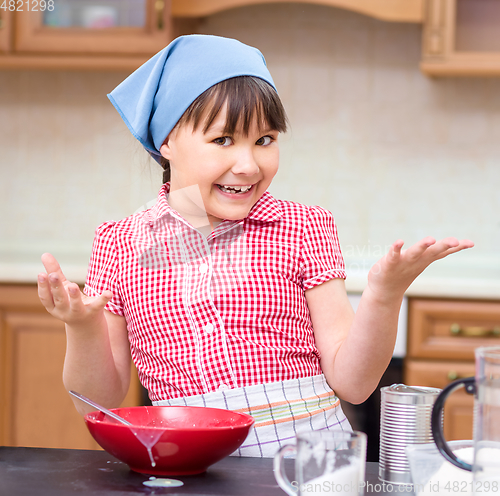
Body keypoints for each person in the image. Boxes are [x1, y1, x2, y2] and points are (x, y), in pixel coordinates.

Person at [37, 35, 473, 457]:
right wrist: (81, 328)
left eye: (264, 140)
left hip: (312, 465)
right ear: (166, 141)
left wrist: (384, 294)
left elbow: (354, 384)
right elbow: (99, 403)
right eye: (223, 140)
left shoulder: (304, 228)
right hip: (191, 468)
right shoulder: (124, 243)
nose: (248, 165)